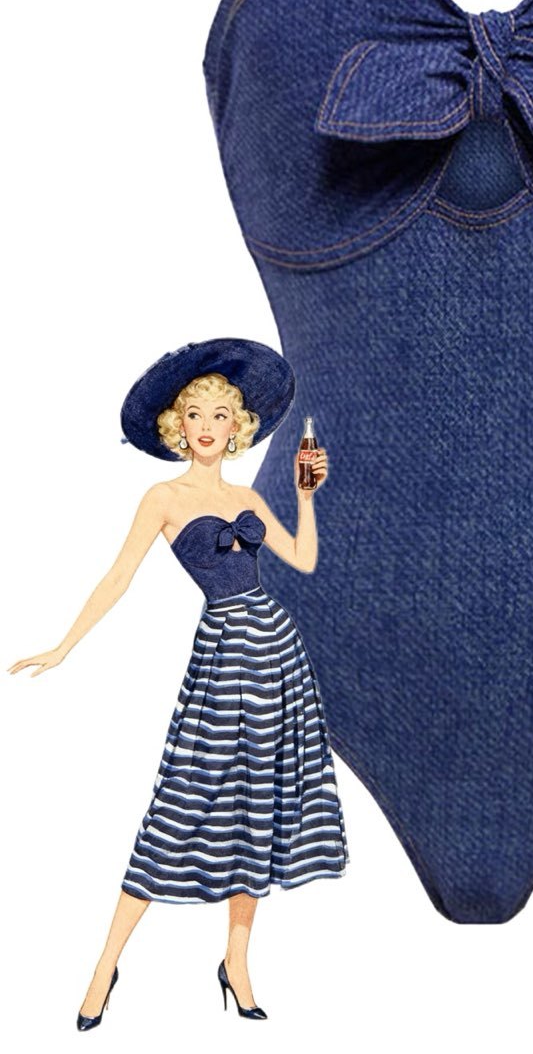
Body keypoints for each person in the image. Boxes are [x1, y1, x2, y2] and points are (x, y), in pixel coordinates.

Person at [8, 338, 350, 1029]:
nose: (207, 427)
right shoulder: (162, 497)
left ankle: (237, 962)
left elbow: (303, 558)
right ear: (178, 425)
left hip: (277, 654)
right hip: (224, 656)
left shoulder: (247, 495)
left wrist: (306, 496)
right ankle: (105, 965)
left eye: (221, 415)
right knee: (182, 803)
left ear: (238, 426)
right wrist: (66, 644)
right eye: (195, 414)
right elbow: (118, 577)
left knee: (259, 803)